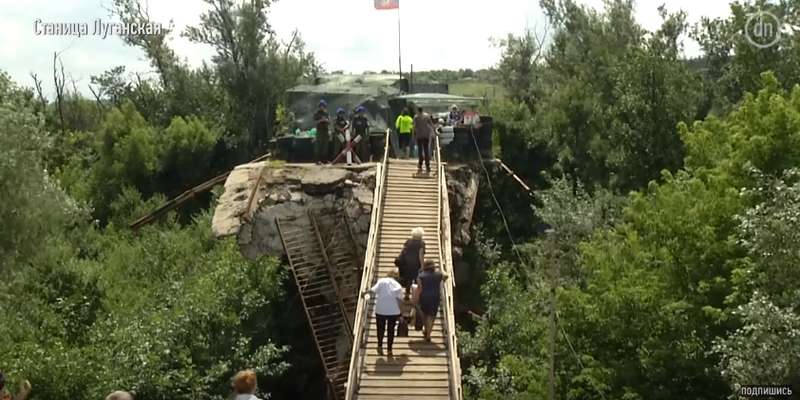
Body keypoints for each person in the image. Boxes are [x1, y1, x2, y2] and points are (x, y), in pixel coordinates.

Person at [363, 270, 404, 357]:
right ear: (397, 277)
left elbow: (373, 291)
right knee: (391, 330)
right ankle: (389, 350)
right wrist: (401, 314)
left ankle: (380, 346)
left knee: (380, 329)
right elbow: (400, 301)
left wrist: (365, 293)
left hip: (380, 310)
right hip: (393, 311)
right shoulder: (398, 286)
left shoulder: (382, 281)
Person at [414, 259, 448, 342]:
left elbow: (419, 288)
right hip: (435, 297)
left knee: (425, 315)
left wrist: (416, 298)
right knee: (431, 316)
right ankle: (428, 334)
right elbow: (446, 276)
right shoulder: (438, 275)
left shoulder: (421, 276)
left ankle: (426, 330)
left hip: (424, 297)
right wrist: (442, 270)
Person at [397, 227, 425, 298]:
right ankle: (415, 296)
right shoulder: (421, 243)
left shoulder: (408, 241)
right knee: (416, 280)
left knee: (408, 279)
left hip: (407, 263)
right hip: (416, 264)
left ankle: (406, 295)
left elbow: (404, 251)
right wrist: (422, 266)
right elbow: (420, 255)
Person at [413, 107, 435, 173]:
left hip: (419, 135)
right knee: (426, 150)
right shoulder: (427, 116)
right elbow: (431, 124)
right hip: (426, 135)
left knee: (420, 150)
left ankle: (420, 164)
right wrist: (434, 131)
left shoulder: (416, 117)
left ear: (418, 110)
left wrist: (414, 134)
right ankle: (427, 165)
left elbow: (414, 126)